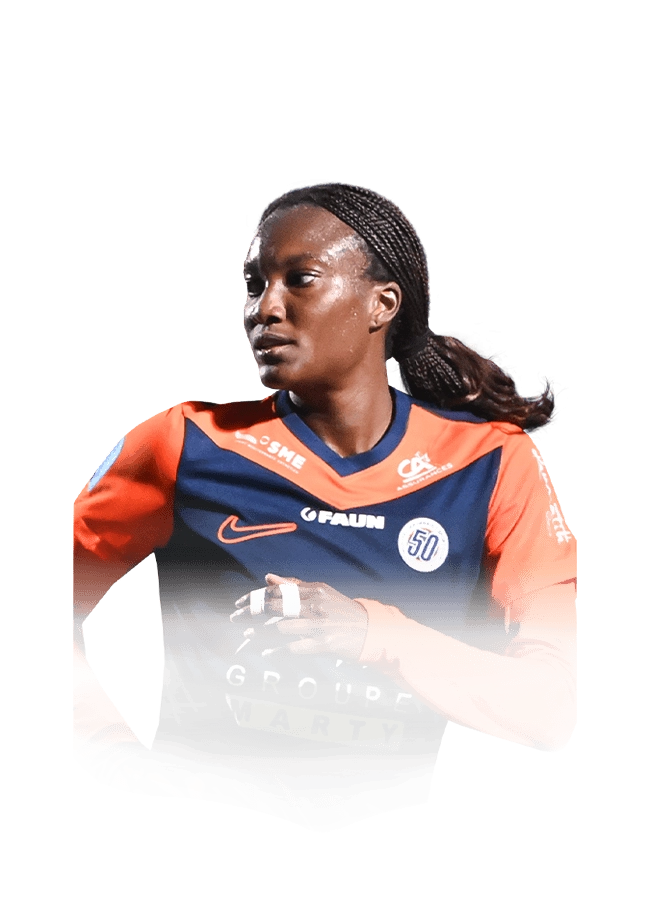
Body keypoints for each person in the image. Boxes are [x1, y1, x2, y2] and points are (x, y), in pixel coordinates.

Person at [72, 179, 578, 831]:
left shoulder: (490, 464)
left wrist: (375, 635)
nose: (263, 309)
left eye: (299, 279)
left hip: (391, 855)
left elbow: (550, 708)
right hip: (197, 840)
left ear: (381, 303)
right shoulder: (186, 443)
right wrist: (101, 747)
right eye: (254, 285)